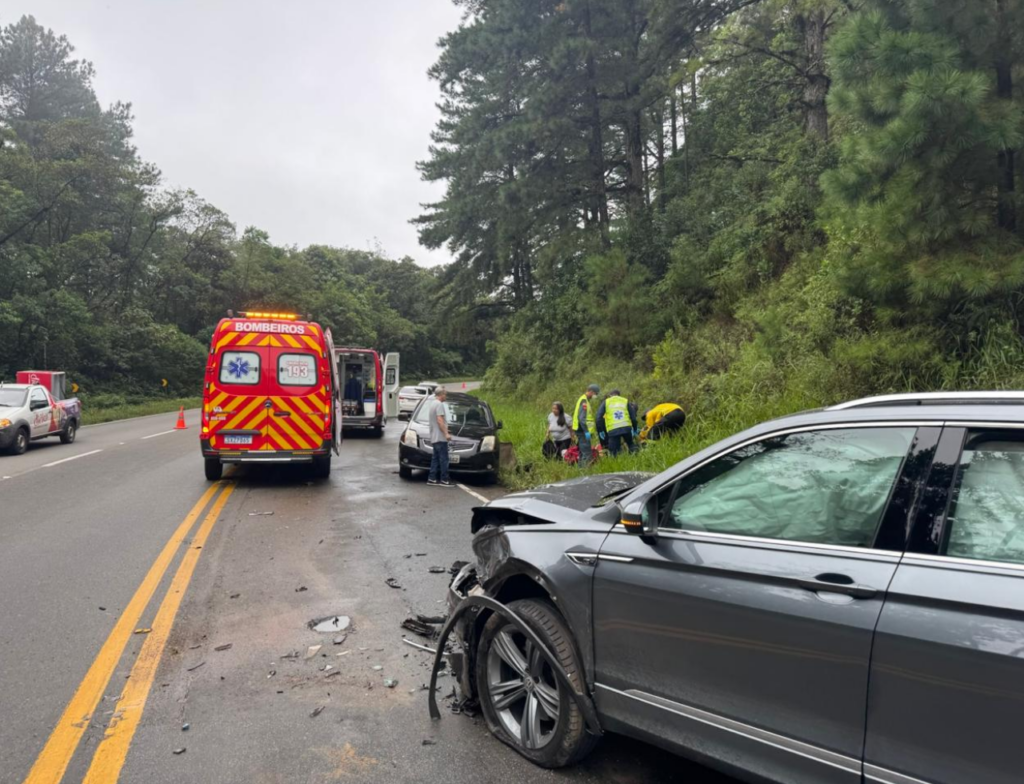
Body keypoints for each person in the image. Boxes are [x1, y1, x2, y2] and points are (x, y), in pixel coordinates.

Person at [596, 389, 639, 456]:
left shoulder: (606, 402)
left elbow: (598, 418)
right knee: (631, 444)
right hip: (626, 427)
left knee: (614, 451)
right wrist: (635, 428)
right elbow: (633, 417)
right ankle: (637, 457)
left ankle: (619, 463)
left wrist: (600, 430)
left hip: (613, 429)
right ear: (619, 395)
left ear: (610, 395)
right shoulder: (624, 400)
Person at [427, 386, 453, 487]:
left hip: (434, 436)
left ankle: (432, 478)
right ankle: (444, 480)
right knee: (444, 459)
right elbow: (439, 420)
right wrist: (446, 433)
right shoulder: (439, 405)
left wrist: (445, 429)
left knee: (435, 458)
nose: (445, 396)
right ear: (441, 395)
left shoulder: (433, 404)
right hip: (440, 437)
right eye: (445, 394)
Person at [572, 384, 601, 466]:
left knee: (582, 452)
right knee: (587, 454)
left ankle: (580, 471)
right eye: (596, 394)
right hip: (583, 431)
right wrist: (586, 431)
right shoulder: (584, 401)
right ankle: (585, 474)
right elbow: (582, 418)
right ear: (591, 392)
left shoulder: (584, 400)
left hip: (581, 430)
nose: (596, 396)